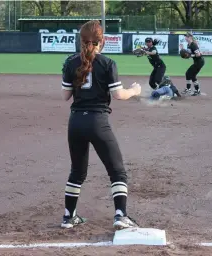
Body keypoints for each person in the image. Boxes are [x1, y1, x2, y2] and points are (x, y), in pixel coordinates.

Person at [61, 20, 141, 230]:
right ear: (101, 41)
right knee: (117, 171)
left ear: (81, 41)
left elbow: (65, 96)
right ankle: (121, 215)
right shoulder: (107, 63)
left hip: (76, 121)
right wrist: (134, 91)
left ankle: (69, 217)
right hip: (98, 122)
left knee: (77, 171)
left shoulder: (70, 62)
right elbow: (118, 95)